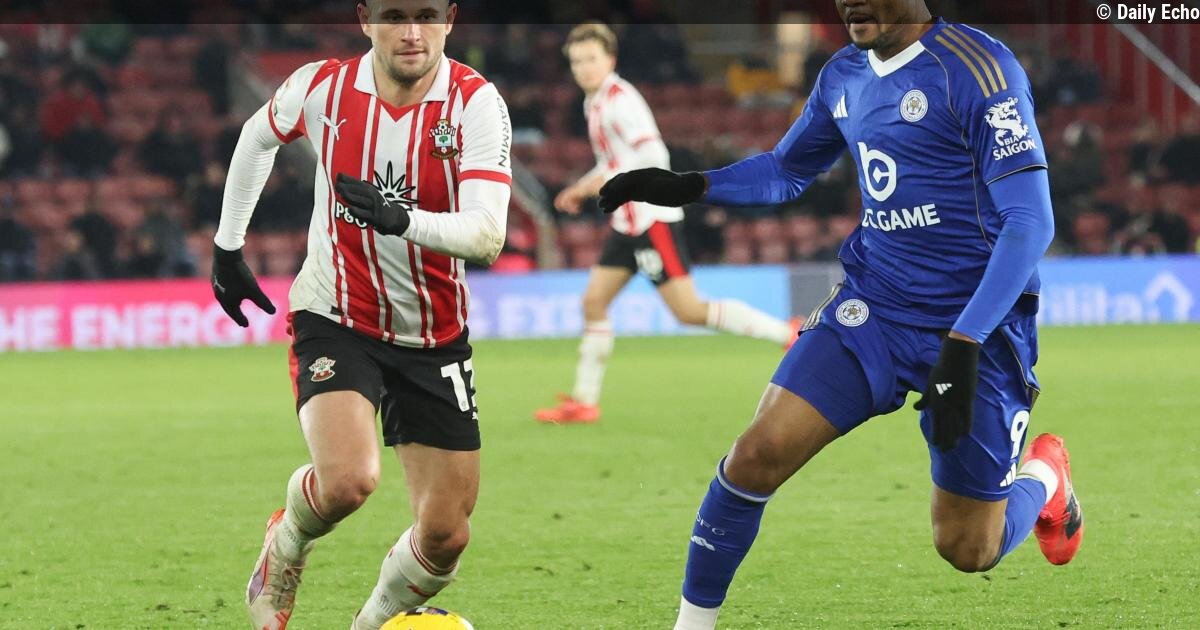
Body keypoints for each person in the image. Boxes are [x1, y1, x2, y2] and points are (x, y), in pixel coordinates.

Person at [597, 3, 1083, 628]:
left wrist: (964, 342)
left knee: (968, 548)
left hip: (977, 326)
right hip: (875, 309)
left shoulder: (979, 68)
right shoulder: (843, 74)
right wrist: (691, 186)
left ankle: (1045, 477)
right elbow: (785, 171)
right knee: (755, 454)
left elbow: (1030, 221)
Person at [209, 1, 512, 628]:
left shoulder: (475, 103)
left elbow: (487, 236)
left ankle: (368, 623)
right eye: (394, 15)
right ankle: (286, 542)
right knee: (348, 481)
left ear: (450, 19)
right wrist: (227, 245)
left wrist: (400, 219)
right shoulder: (322, 87)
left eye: (426, 15)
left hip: (434, 335)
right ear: (365, 19)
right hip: (336, 315)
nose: (411, 32)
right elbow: (257, 136)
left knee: (446, 536)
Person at [534, 22, 798, 425]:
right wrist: (581, 188)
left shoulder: (622, 101)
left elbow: (653, 156)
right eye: (576, 61)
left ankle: (785, 333)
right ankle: (584, 402)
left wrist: (610, 182)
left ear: (610, 60)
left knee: (689, 311)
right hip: (627, 223)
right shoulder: (594, 102)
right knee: (593, 302)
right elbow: (612, 161)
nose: (583, 68)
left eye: (591, 59)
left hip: (651, 220)